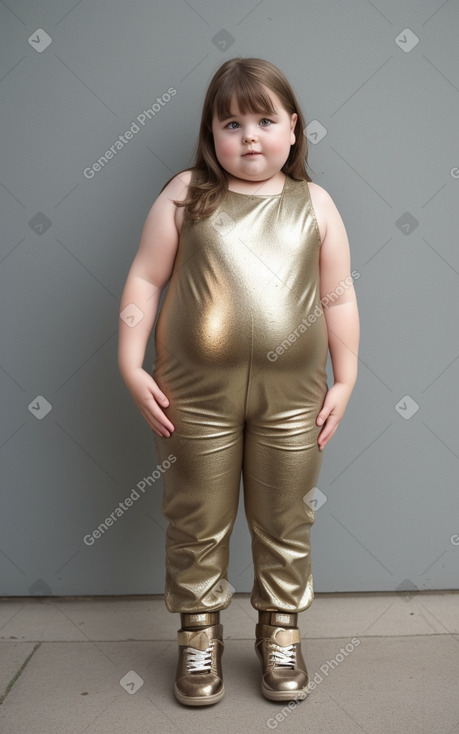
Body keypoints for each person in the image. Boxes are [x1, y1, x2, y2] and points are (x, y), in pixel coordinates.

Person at [118, 57, 359, 707]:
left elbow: (336, 296)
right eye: (231, 123)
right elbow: (145, 277)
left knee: (284, 519)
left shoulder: (314, 203)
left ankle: (280, 629)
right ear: (211, 134)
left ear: (292, 129)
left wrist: (346, 378)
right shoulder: (185, 193)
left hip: (293, 399)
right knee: (196, 517)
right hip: (192, 398)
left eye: (263, 120)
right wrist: (129, 362)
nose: (248, 136)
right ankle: (198, 635)